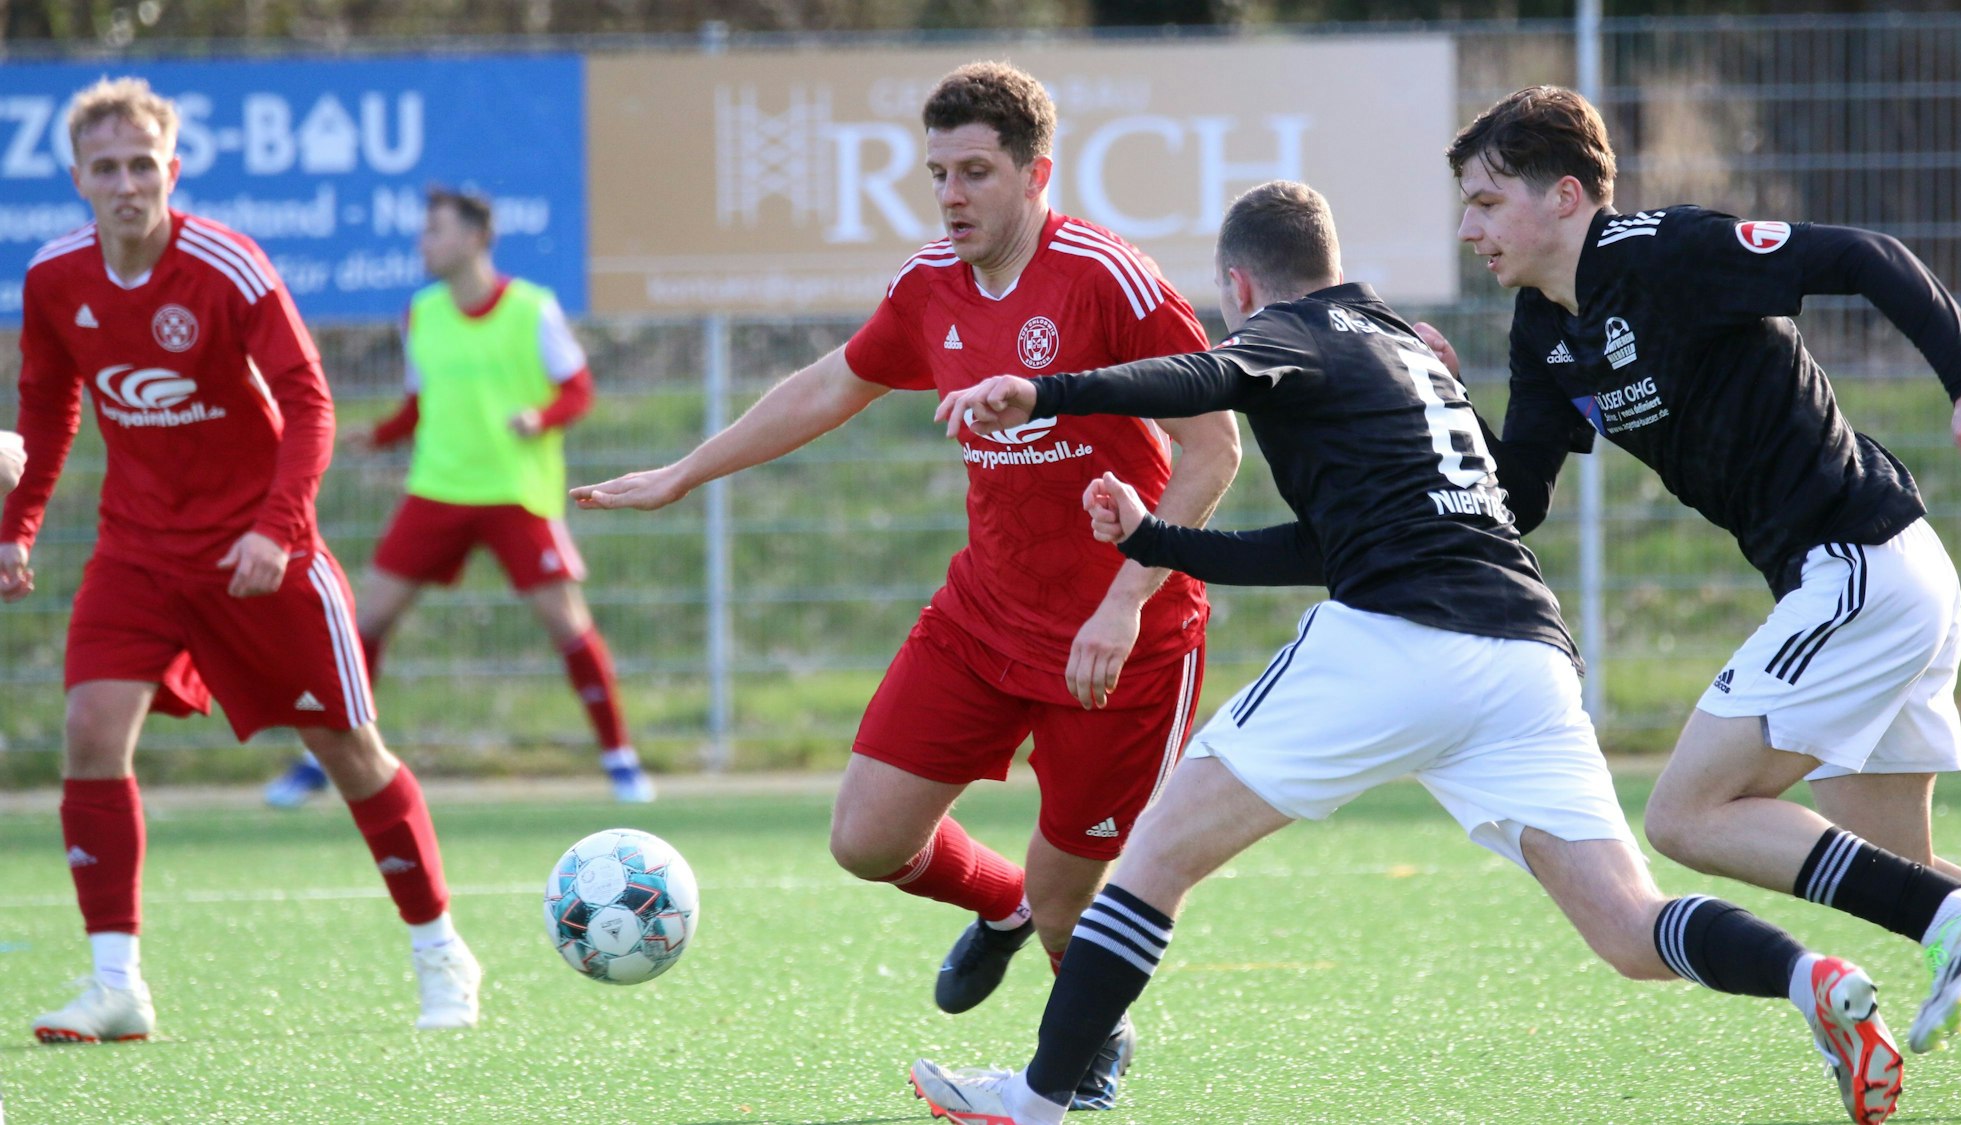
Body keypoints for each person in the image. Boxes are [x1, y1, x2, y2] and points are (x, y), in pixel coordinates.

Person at [909, 180, 1904, 1125]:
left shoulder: (1290, 331)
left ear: (1239, 286)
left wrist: (1045, 392)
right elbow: (1326, 546)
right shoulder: (1405, 349)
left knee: (1156, 856)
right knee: (1627, 926)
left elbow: (1205, 376)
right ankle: (1808, 977)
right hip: (1525, 660)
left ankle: (1035, 1101)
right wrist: (1154, 541)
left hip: (1396, 639)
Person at [572, 60, 1239, 1108]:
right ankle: (1002, 905)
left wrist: (1124, 602)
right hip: (986, 614)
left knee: (1073, 902)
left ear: (1036, 174)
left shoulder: (1108, 279)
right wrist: (683, 472)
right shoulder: (930, 283)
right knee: (867, 840)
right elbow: (832, 383)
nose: (950, 196)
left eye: (975, 172)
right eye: (937, 174)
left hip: (1124, 643)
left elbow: (1214, 448)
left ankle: (1087, 1034)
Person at [1422, 84, 1961, 1059]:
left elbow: (1865, 255)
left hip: (1858, 568)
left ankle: (1960, 922)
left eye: (1484, 202)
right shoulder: (1541, 327)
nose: (1467, 228)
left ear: (1563, 195)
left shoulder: (1670, 252)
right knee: (1899, 870)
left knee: (1685, 815)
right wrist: (1445, 398)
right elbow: (1518, 497)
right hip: (1874, 579)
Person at [1, 77, 480, 1043]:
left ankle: (440, 949)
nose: (127, 184)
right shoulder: (55, 279)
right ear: (78, 180)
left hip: (260, 549)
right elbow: (49, 407)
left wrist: (276, 526)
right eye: (107, 168)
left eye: (144, 165)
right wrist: (19, 525)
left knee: (346, 750)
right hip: (137, 549)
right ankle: (116, 983)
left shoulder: (227, 265)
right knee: (90, 730)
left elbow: (310, 403)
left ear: (172, 170)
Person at [262, 187, 651, 808]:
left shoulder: (531, 308)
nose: (424, 242)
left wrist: (540, 417)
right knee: (364, 622)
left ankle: (621, 762)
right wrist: (382, 434)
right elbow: (420, 404)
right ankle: (321, 761)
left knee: (567, 625)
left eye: (436, 230)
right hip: (437, 491)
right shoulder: (422, 313)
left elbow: (578, 391)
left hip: (515, 493)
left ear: (474, 238)